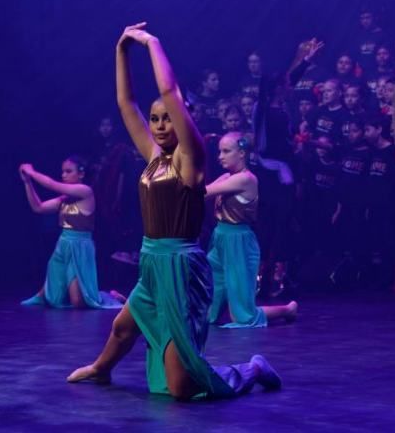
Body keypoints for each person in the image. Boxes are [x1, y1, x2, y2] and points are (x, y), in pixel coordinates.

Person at [67, 23, 281, 399]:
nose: (161, 124)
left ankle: (251, 369)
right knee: (122, 327)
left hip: (182, 268)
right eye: (155, 119)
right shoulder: (152, 157)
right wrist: (120, 50)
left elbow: (169, 92)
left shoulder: (191, 160)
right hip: (152, 260)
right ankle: (101, 369)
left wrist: (151, 43)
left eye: (168, 117)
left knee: (181, 387)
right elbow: (125, 104)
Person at [206, 132, 297, 327]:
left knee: (242, 315)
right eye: (219, 151)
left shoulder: (246, 179)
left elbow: (204, 192)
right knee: (208, 306)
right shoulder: (225, 176)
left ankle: (288, 309)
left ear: (241, 153)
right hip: (220, 238)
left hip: (238, 241)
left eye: (226, 151)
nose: (220, 156)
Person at [20, 157, 124, 309]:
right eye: (63, 171)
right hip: (63, 244)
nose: (64, 175)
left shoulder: (85, 191)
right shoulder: (64, 199)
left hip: (80, 246)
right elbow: (38, 207)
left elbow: (52, 184)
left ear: (81, 174)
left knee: (78, 302)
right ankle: (42, 295)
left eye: (68, 171)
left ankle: (112, 296)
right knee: (54, 294)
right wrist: (27, 182)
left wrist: (32, 172)